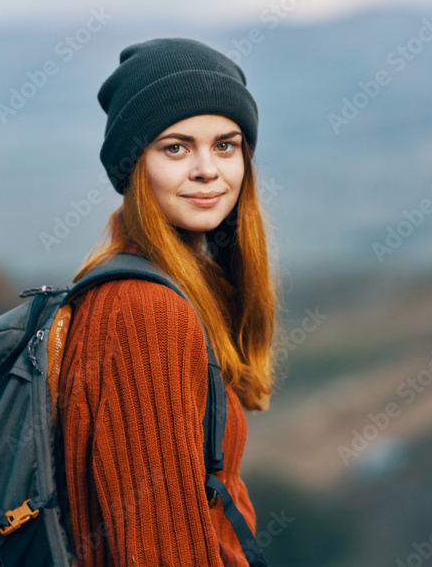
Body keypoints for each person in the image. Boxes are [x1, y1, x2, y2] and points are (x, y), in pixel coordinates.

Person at [57, 38, 280, 566]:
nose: (208, 169)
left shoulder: (187, 288)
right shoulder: (143, 312)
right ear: (135, 166)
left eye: (225, 145)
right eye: (176, 147)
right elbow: (160, 550)